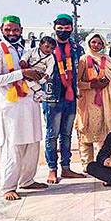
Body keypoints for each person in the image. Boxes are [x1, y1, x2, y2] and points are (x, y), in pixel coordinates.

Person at [0, 15, 48, 200]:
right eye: (8, 30)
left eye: (15, 30)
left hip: (30, 103)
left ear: (21, 30)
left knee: (32, 142)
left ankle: (27, 180)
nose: (12, 33)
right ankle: (8, 186)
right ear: (1, 30)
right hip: (11, 106)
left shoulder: (24, 49)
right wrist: (21, 73)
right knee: (13, 145)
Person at [43, 14, 85, 183]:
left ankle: (66, 168)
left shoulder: (76, 48)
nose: (63, 32)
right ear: (54, 28)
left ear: (72, 29)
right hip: (52, 96)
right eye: (60, 29)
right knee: (52, 134)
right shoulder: (47, 47)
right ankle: (52, 168)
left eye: (67, 29)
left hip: (70, 96)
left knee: (67, 134)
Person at [75, 33, 111, 172]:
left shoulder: (107, 60)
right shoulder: (83, 60)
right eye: (93, 42)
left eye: (99, 43)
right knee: (86, 133)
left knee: (105, 133)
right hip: (88, 102)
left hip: (106, 101)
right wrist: (92, 86)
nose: (96, 45)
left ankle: (103, 161)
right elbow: (77, 83)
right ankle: (87, 165)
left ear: (103, 45)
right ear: (88, 43)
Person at [19, 36, 56, 102]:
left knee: (36, 81)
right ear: (40, 45)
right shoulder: (33, 51)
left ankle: (38, 93)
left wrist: (47, 75)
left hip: (40, 73)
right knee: (28, 80)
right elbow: (26, 55)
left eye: (52, 48)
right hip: (30, 71)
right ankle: (39, 92)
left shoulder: (51, 57)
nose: (49, 49)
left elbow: (50, 67)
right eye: (47, 46)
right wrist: (23, 60)